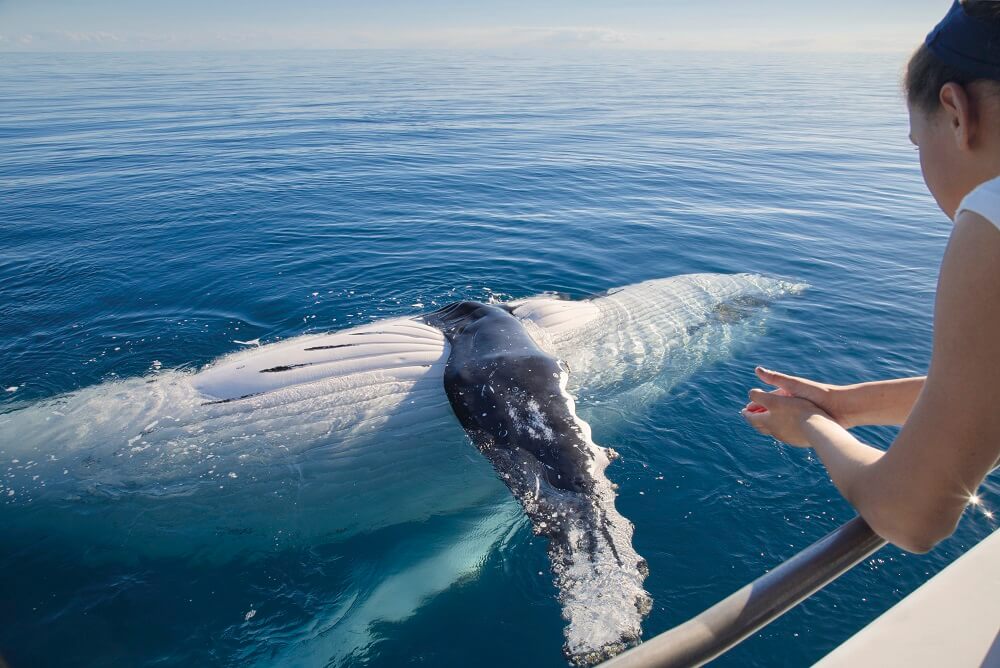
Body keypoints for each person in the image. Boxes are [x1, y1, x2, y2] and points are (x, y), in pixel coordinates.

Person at [741, 0, 1000, 554]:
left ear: (956, 112)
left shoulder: (992, 220)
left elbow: (911, 515)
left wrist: (810, 426)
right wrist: (847, 405)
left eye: (916, 142)